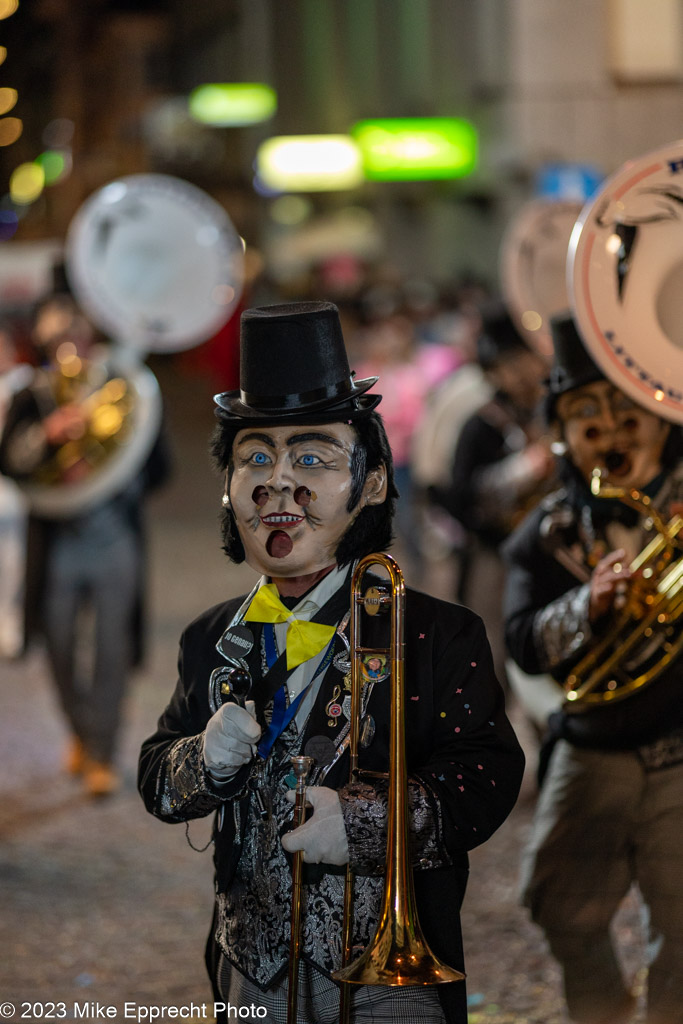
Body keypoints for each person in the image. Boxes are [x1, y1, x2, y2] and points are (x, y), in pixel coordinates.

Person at [138, 301, 525, 1024]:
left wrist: (364, 824)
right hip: (246, 969)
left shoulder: (440, 635)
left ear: (372, 482)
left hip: (388, 983)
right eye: (256, 457)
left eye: (311, 458)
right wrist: (201, 758)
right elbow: (158, 783)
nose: (278, 484)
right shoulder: (207, 638)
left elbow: (487, 778)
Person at [503, 313, 683, 1024]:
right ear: (562, 442)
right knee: (559, 908)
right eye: (587, 421)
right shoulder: (543, 535)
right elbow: (520, 641)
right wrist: (587, 605)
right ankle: (603, 1010)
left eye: (627, 415)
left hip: (679, 753)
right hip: (590, 748)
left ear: (665, 420)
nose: (611, 436)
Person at [0, 291, 171, 797]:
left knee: (112, 650)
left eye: (76, 335)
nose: (69, 346)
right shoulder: (33, 394)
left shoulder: (121, 389)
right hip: (55, 544)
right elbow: (8, 458)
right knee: (56, 645)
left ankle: (100, 750)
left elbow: (160, 467)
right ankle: (81, 730)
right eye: (58, 339)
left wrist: (109, 470)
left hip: (114, 538)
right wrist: (48, 438)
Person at [431, 306, 555, 687]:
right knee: (490, 650)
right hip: (494, 555)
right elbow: (461, 495)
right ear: (492, 372)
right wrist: (527, 468)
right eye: (507, 364)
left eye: (525, 360)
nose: (520, 373)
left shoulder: (551, 412)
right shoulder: (480, 424)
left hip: (553, 549)